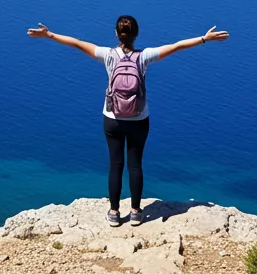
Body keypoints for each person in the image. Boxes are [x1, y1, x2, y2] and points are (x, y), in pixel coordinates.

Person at [26, 15, 230, 227]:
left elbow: (77, 43)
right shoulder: (144, 56)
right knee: (135, 164)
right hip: (138, 119)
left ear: (116, 33)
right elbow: (177, 46)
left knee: (115, 165)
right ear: (136, 34)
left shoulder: (107, 55)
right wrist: (204, 38)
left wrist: (49, 35)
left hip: (112, 118)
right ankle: (135, 212)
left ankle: (114, 213)